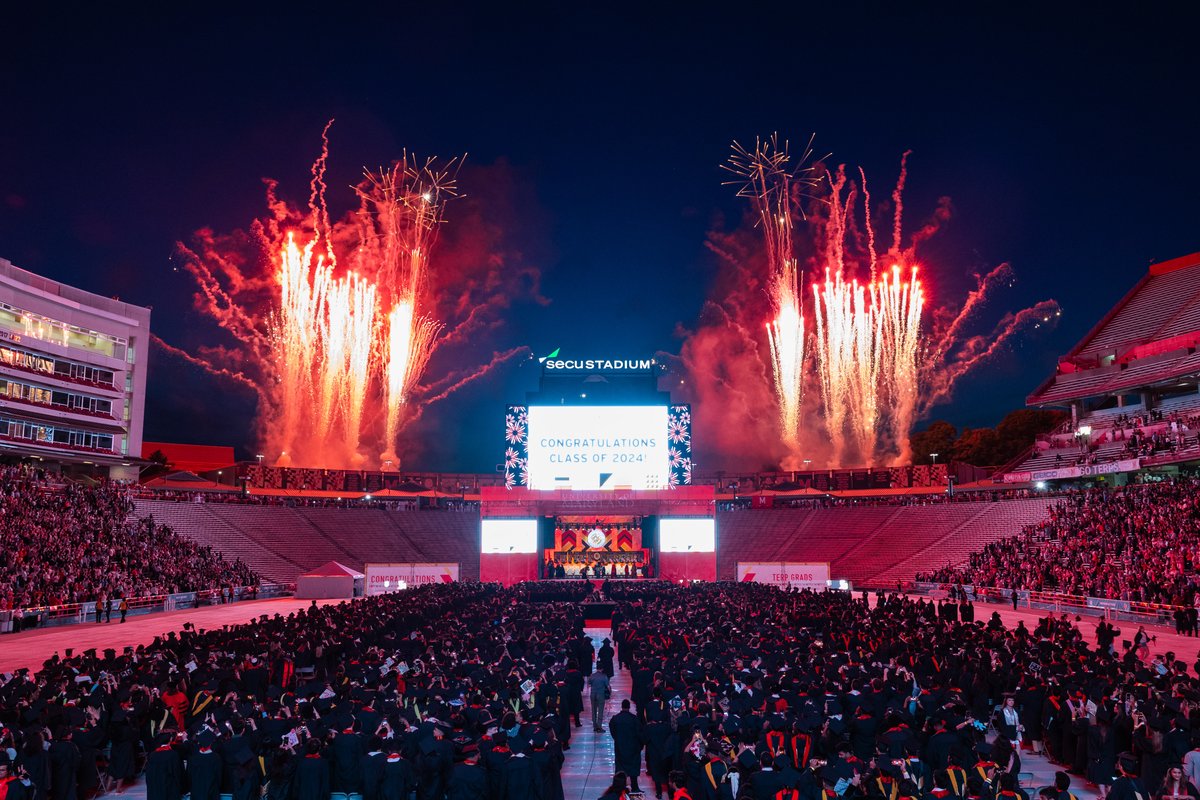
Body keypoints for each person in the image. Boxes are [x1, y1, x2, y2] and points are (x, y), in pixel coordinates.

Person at [609, 700, 644, 794]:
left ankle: (620, 787)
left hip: (620, 746)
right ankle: (635, 787)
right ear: (629, 707)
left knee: (620, 768)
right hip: (633, 747)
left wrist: (617, 738)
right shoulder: (634, 719)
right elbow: (640, 733)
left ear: (621, 706)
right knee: (633, 768)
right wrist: (640, 745)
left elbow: (612, 730)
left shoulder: (615, 719)